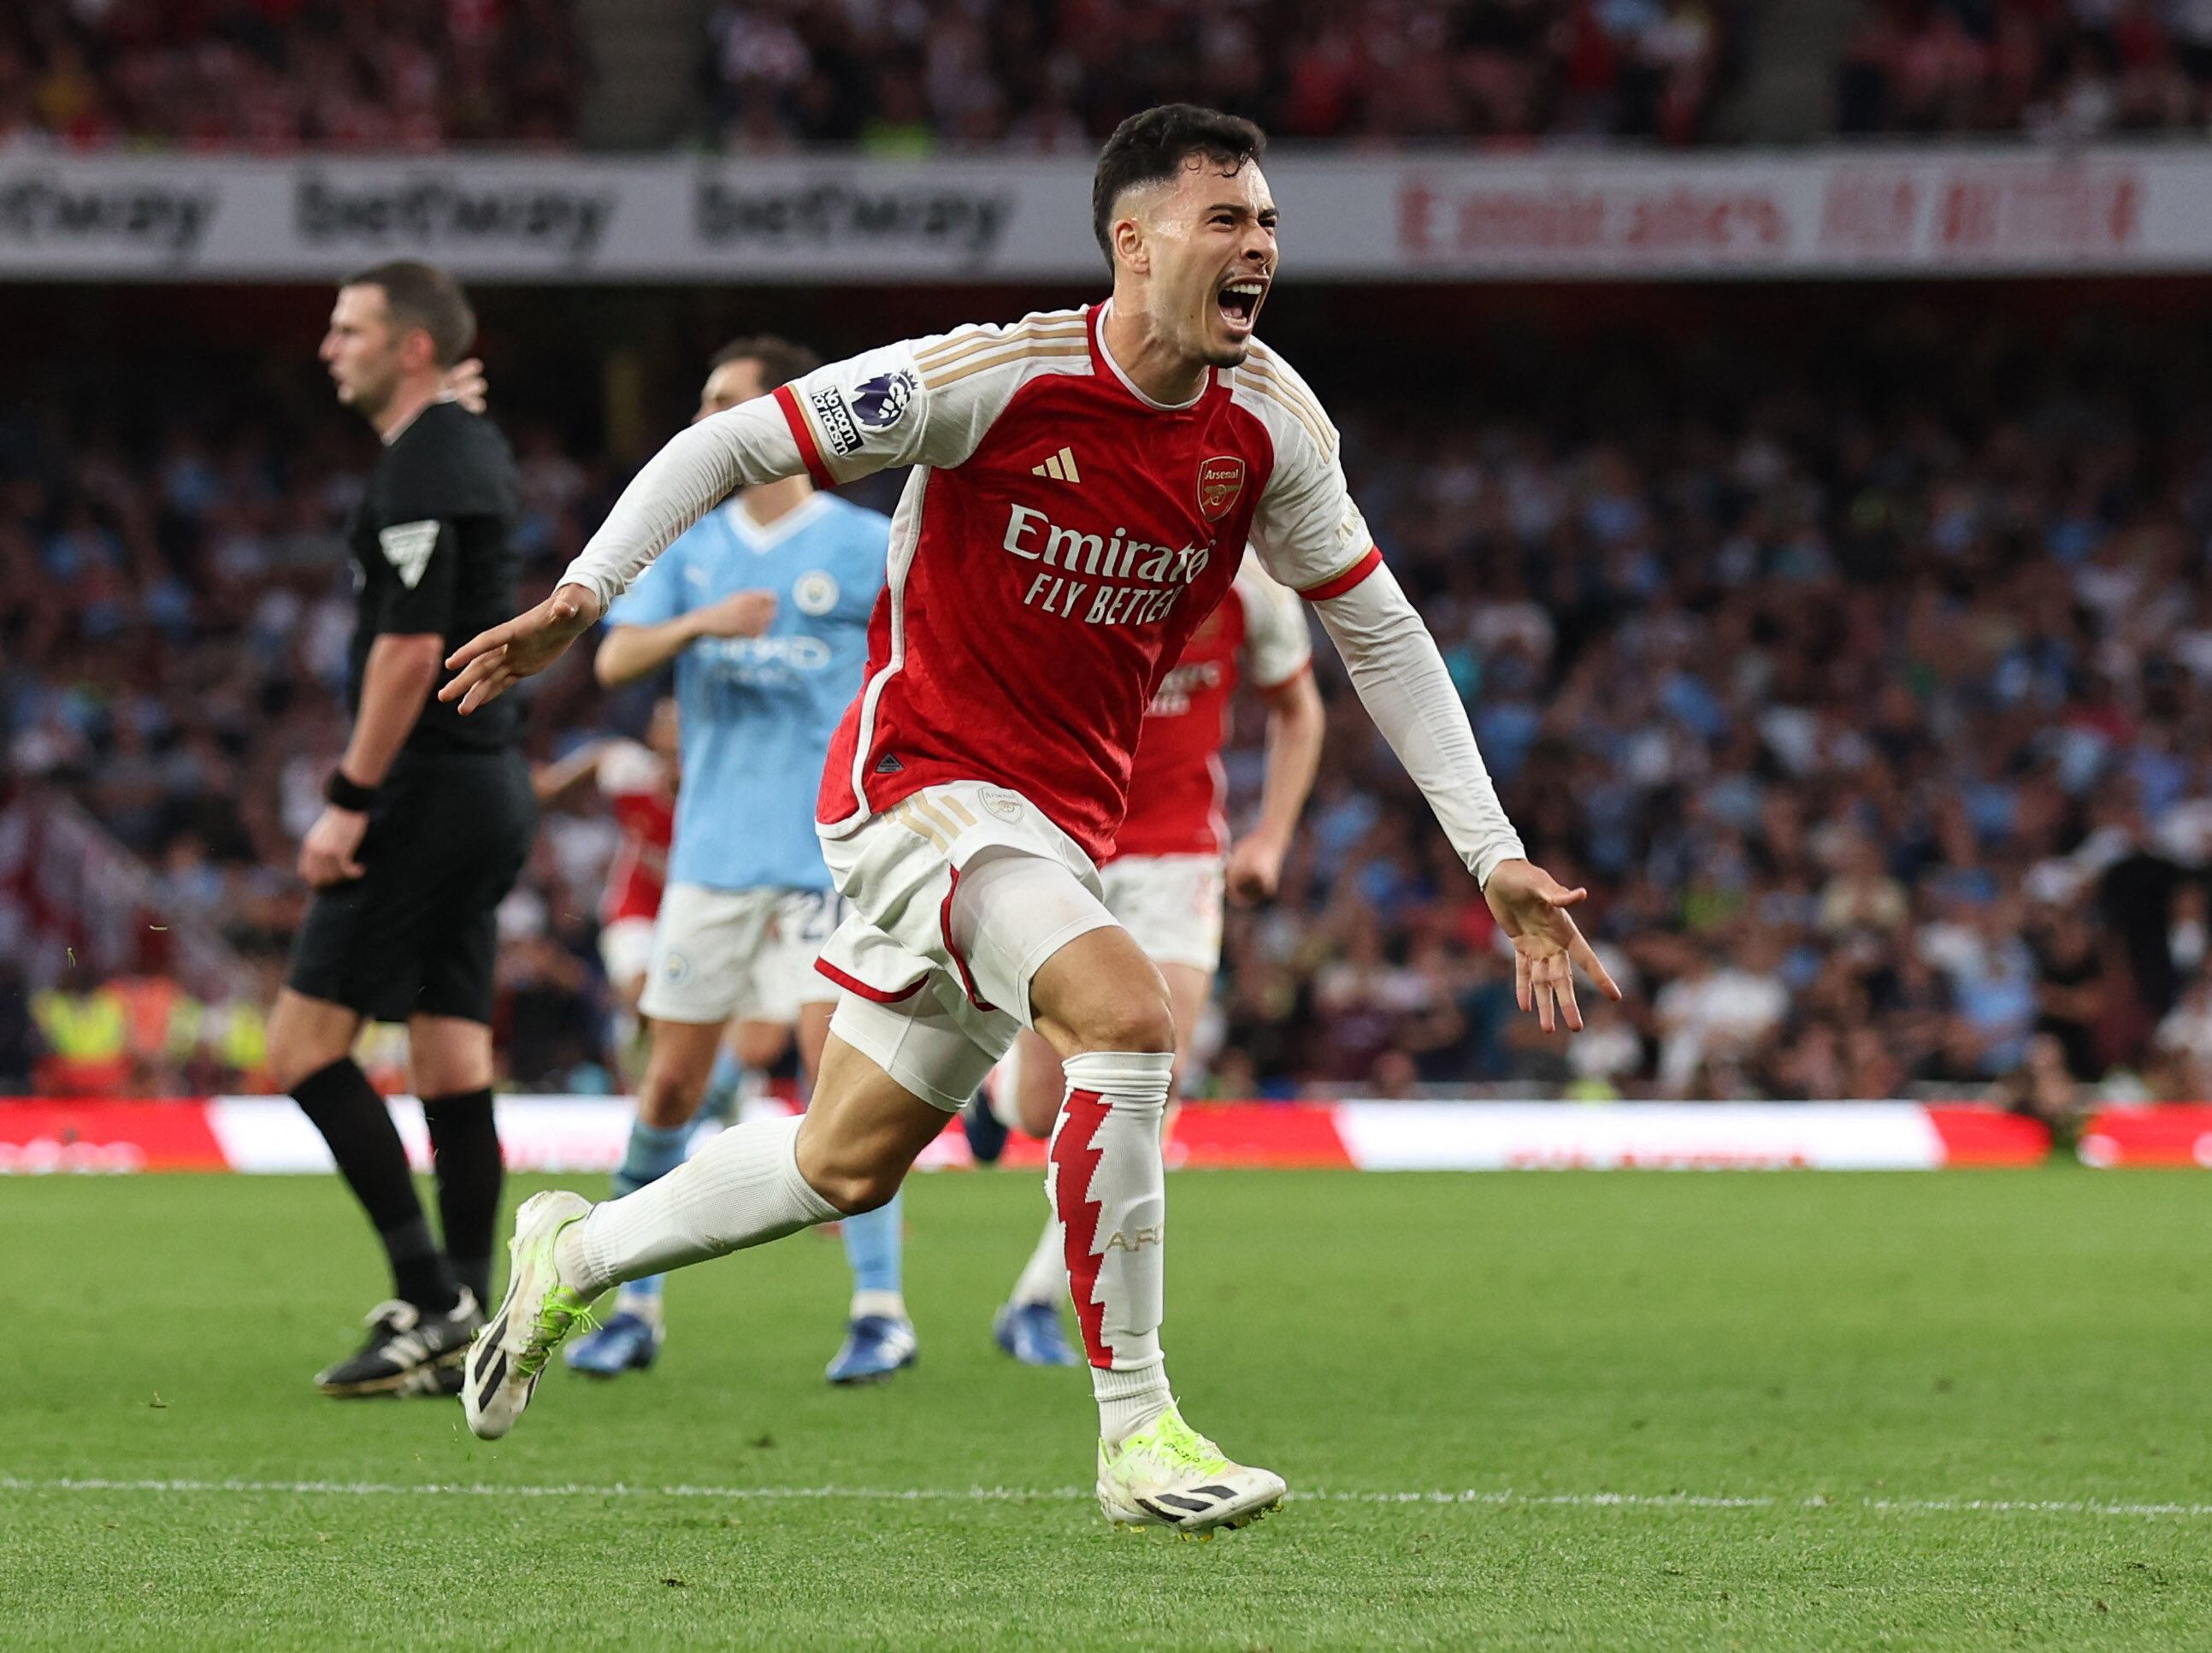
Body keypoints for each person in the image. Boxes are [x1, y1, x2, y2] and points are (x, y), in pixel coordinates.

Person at [443, 104, 1615, 1536]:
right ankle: (1138, 1432)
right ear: (1134, 243)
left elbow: (1378, 631)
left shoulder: (1269, 426)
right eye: (1226, 220)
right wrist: (582, 596)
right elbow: (732, 449)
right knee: (1125, 1018)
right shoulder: (989, 377)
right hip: (915, 785)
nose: (1259, 247)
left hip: (1052, 825)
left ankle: (573, 1251)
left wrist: (1489, 849)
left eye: (1268, 225)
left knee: (843, 1160)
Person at [552, 337, 912, 1385]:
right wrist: (704, 623)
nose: (705, 419)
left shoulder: (864, 542)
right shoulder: (690, 548)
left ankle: (880, 1311)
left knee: (834, 1083)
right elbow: (613, 655)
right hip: (708, 857)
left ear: (782, 416)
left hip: (826, 858)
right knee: (668, 1082)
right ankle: (629, 1306)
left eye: (724, 402)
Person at [267, 262, 533, 1397]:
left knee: (301, 1047)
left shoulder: (428, 458)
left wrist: (347, 796)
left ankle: (430, 1302)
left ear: (412, 347)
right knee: (448, 1050)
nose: (330, 345)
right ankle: (468, 1303)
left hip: (423, 792)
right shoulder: (455, 445)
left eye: (351, 327)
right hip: (487, 786)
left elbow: (409, 652)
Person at [987, 548, 1324, 1366]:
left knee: (1153, 1074)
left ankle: (1034, 1301)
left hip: (1177, 853)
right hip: (1064, 839)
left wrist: (1270, 838)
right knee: (1039, 1110)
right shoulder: (1080, 552)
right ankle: (990, 1088)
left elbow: (1298, 710)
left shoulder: (1251, 586)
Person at [532, 695, 679, 1057]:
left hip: (690, 915)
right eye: (667, 724)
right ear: (653, 734)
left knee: (681, 1013)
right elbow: (603, 755)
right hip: (635, 907)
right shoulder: (634, 773)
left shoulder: (714, 793)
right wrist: (553, 783)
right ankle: (632, 1054)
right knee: (640, 991)